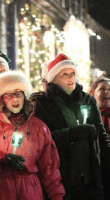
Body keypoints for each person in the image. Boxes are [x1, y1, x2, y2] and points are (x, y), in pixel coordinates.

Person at [0, 70, 65, 200]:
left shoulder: (38, 127)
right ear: (1, 99)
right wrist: (0, 162)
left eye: (18, 94)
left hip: (29, 192)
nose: (15, 99)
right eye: (9, 95)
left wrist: (57, 196)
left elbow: (50, 170)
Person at [31, 53, 110, 200]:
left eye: (73, 73)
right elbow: (41, 140)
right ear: (53, 79)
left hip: (90, 175)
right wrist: (71, 134)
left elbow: (101, 136)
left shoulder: (88, 100)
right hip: (62, 177)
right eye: (65, 74)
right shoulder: (44, 104)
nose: (71, 78)